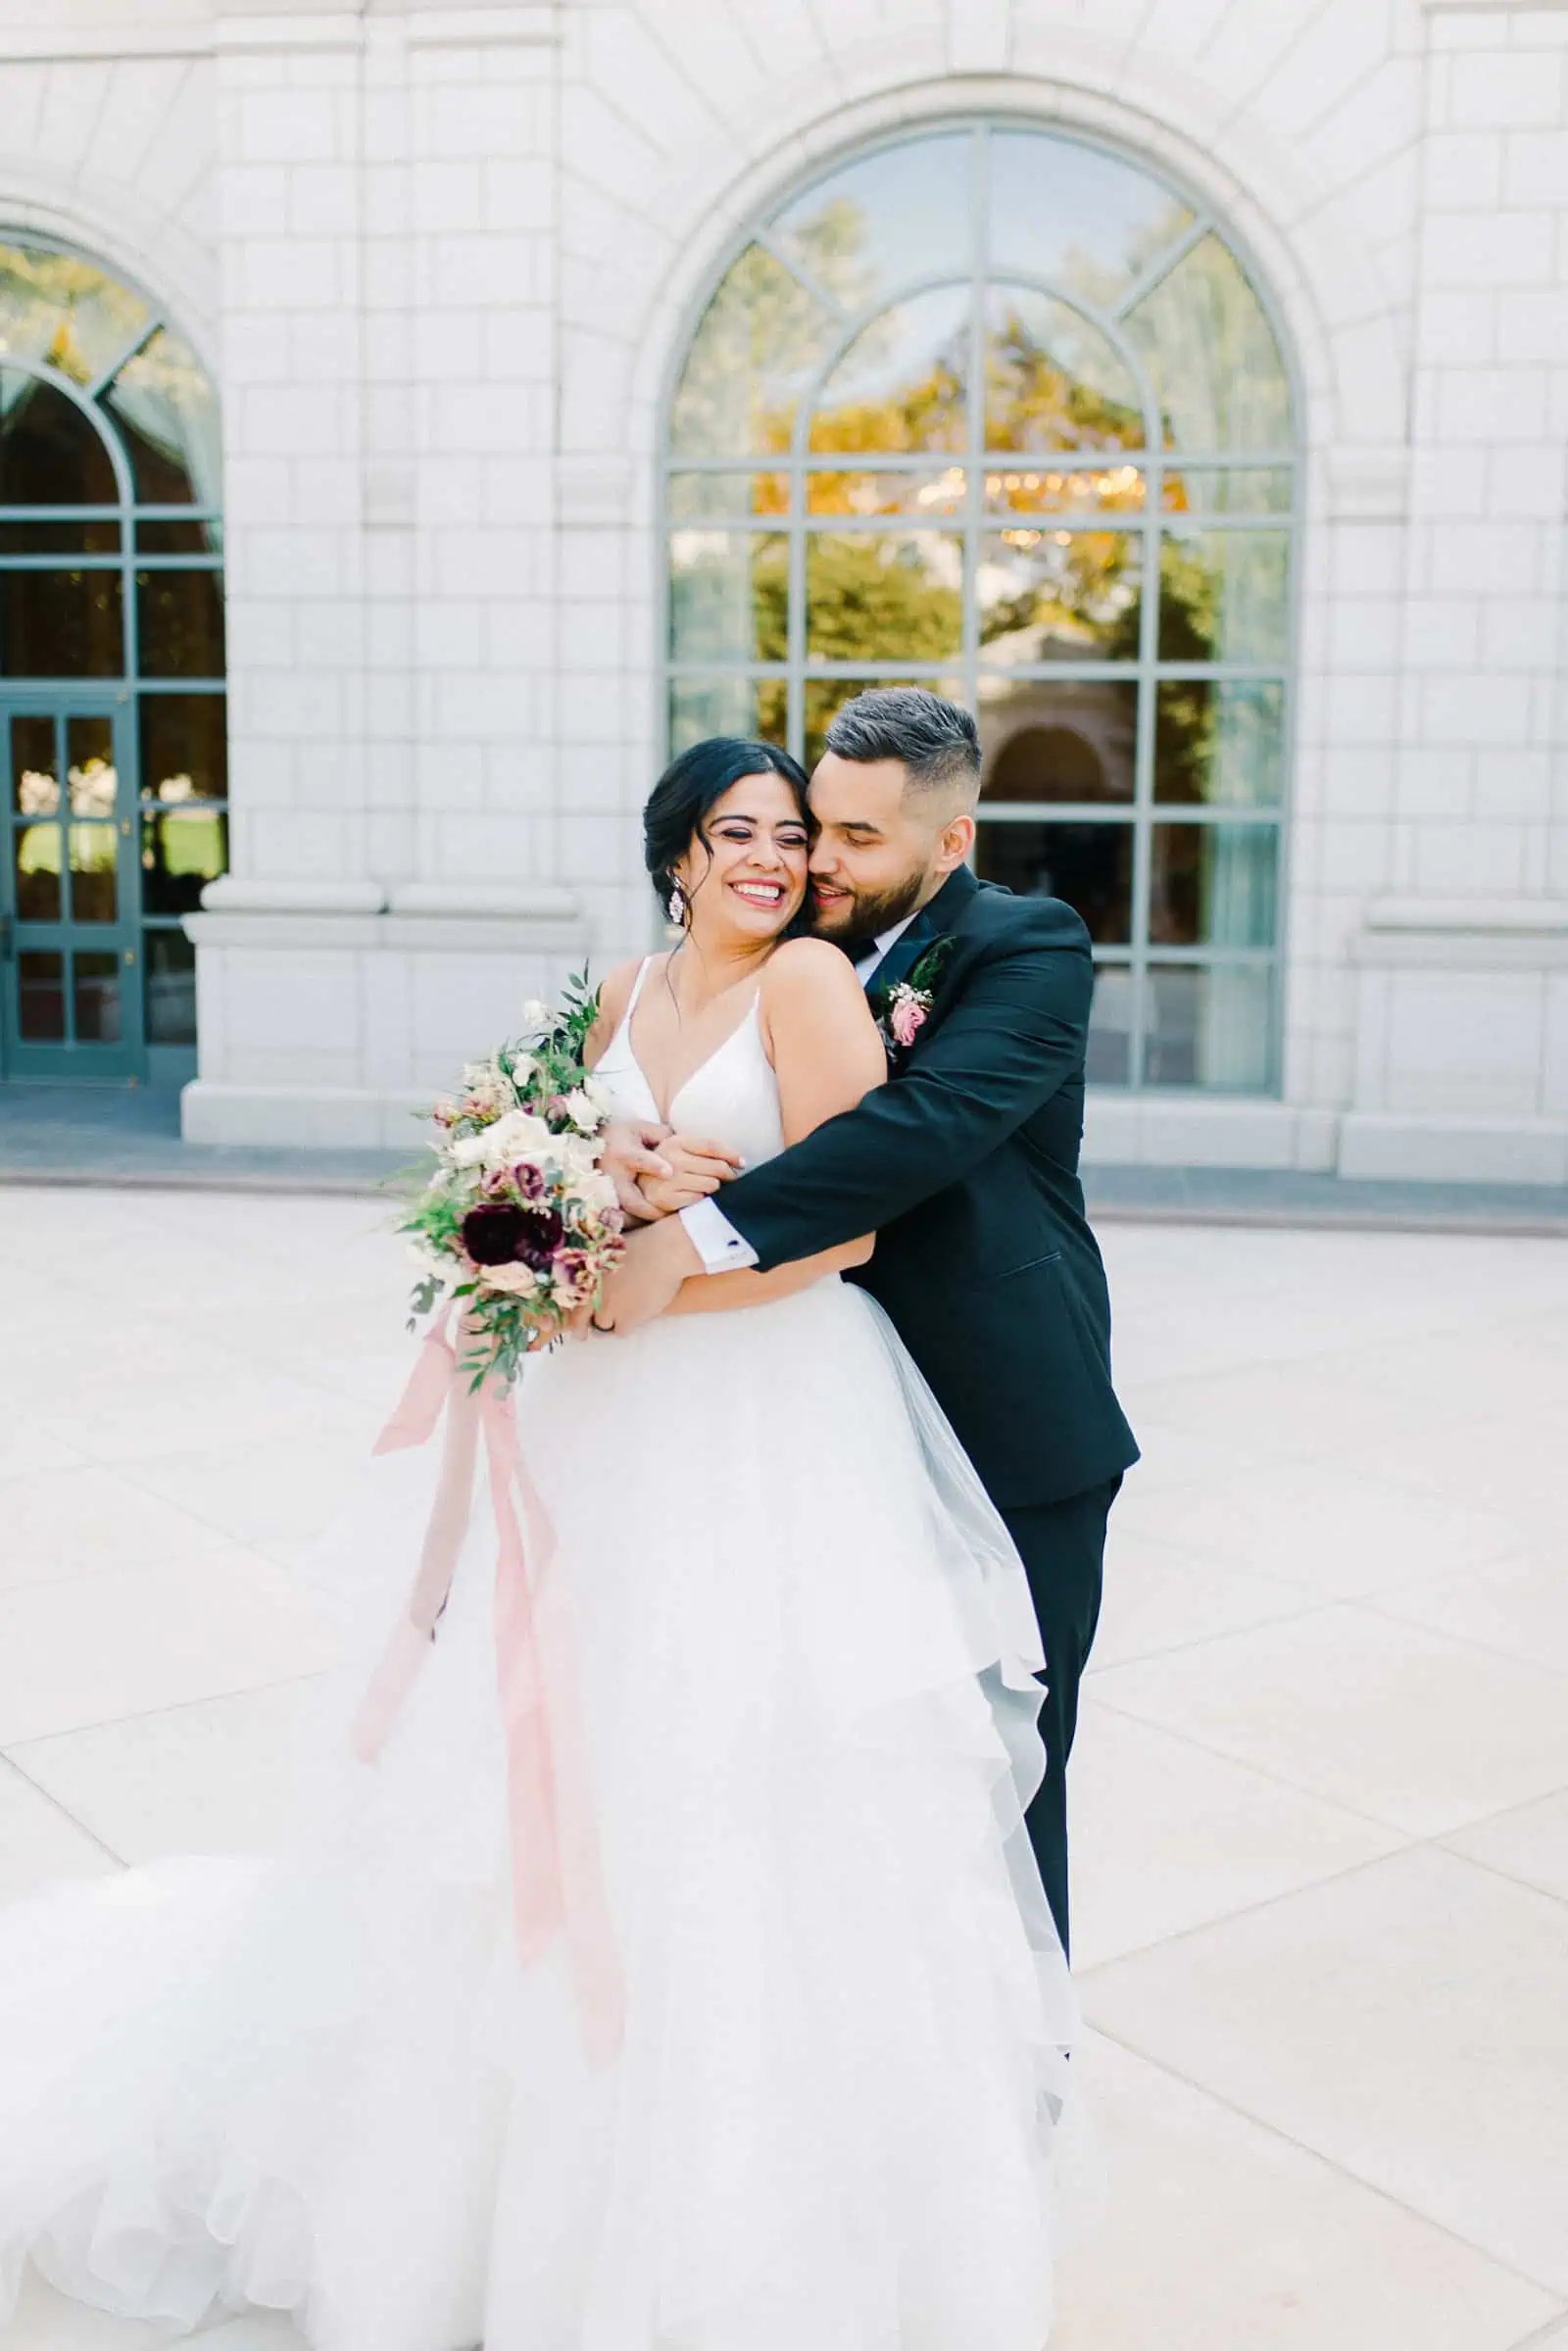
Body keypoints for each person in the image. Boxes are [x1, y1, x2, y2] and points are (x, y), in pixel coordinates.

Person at [0, 735, 1076, 2351]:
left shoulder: (812, 987)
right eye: (744, 832)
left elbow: (855, 1215)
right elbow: (522, 1162)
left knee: (738, 1772)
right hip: (602, 1415)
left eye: (798, 836)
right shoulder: (616, 994)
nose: (777, 859)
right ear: (679, 849)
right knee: (549, 1745)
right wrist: (580, 1207)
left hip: (766, 1410)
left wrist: (666, 1266)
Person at [596, 688, 1139, 1957]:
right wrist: (614, 1150)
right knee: (837, 1751)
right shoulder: (782, 955)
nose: (815, 862)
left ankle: (1020, 2047)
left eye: (852, 840)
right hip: (820, 1425)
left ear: (948, 845)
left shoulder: (1028, 944)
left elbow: (919, 1130)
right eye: (807, 825)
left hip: (1003, 1416)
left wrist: (682, 1242)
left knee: (1003, 1750)